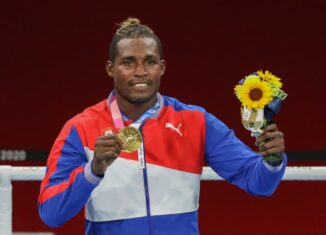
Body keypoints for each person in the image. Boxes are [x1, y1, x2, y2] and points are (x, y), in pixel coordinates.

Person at [38, 17, 287, 235]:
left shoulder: (195, 121)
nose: (140, 72)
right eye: (128, 62)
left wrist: (272, 161)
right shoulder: (79, 128)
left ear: (162, 67)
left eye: (149, 61)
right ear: (110, 69)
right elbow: (51, 213)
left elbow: (258, 183)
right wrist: (92, 171)